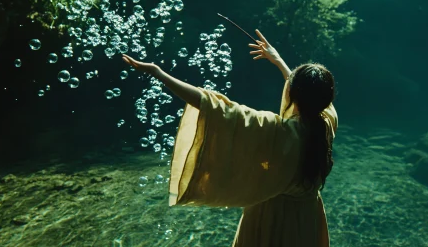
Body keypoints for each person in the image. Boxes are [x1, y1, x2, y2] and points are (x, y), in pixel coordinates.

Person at [122, 29, 338, 247]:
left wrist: (160, 73)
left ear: (292, 91)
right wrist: (279, 61)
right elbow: (309, 94)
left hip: (271, 217)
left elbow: (214, 107)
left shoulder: (278, 132)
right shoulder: (326, 123)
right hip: (307, 217)